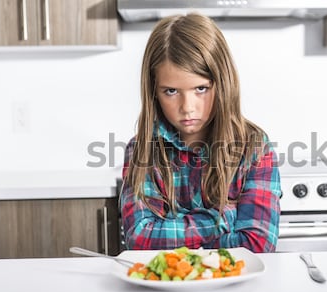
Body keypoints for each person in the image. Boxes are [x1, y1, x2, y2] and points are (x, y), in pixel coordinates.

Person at [120, 13, 281, 253]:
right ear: (154, 91)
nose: (188, 107)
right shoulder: (141, 149)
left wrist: (174, 237)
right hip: (164, 289)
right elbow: (140, 239)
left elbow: (257, 244)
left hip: (235, 289)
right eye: (172, 91)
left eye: (201, 88)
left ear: (223, 83)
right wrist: (222, 220)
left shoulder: (254, 146)